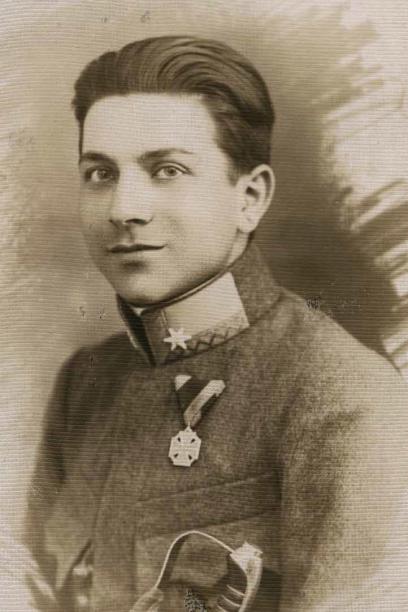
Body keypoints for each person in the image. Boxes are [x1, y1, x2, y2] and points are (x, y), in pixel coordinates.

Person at [25, 36, 408, 612]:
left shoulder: (346, 397)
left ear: (249, 198)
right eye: (100, 173)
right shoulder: (86, 383)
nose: (124, 209)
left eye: (167, 170)